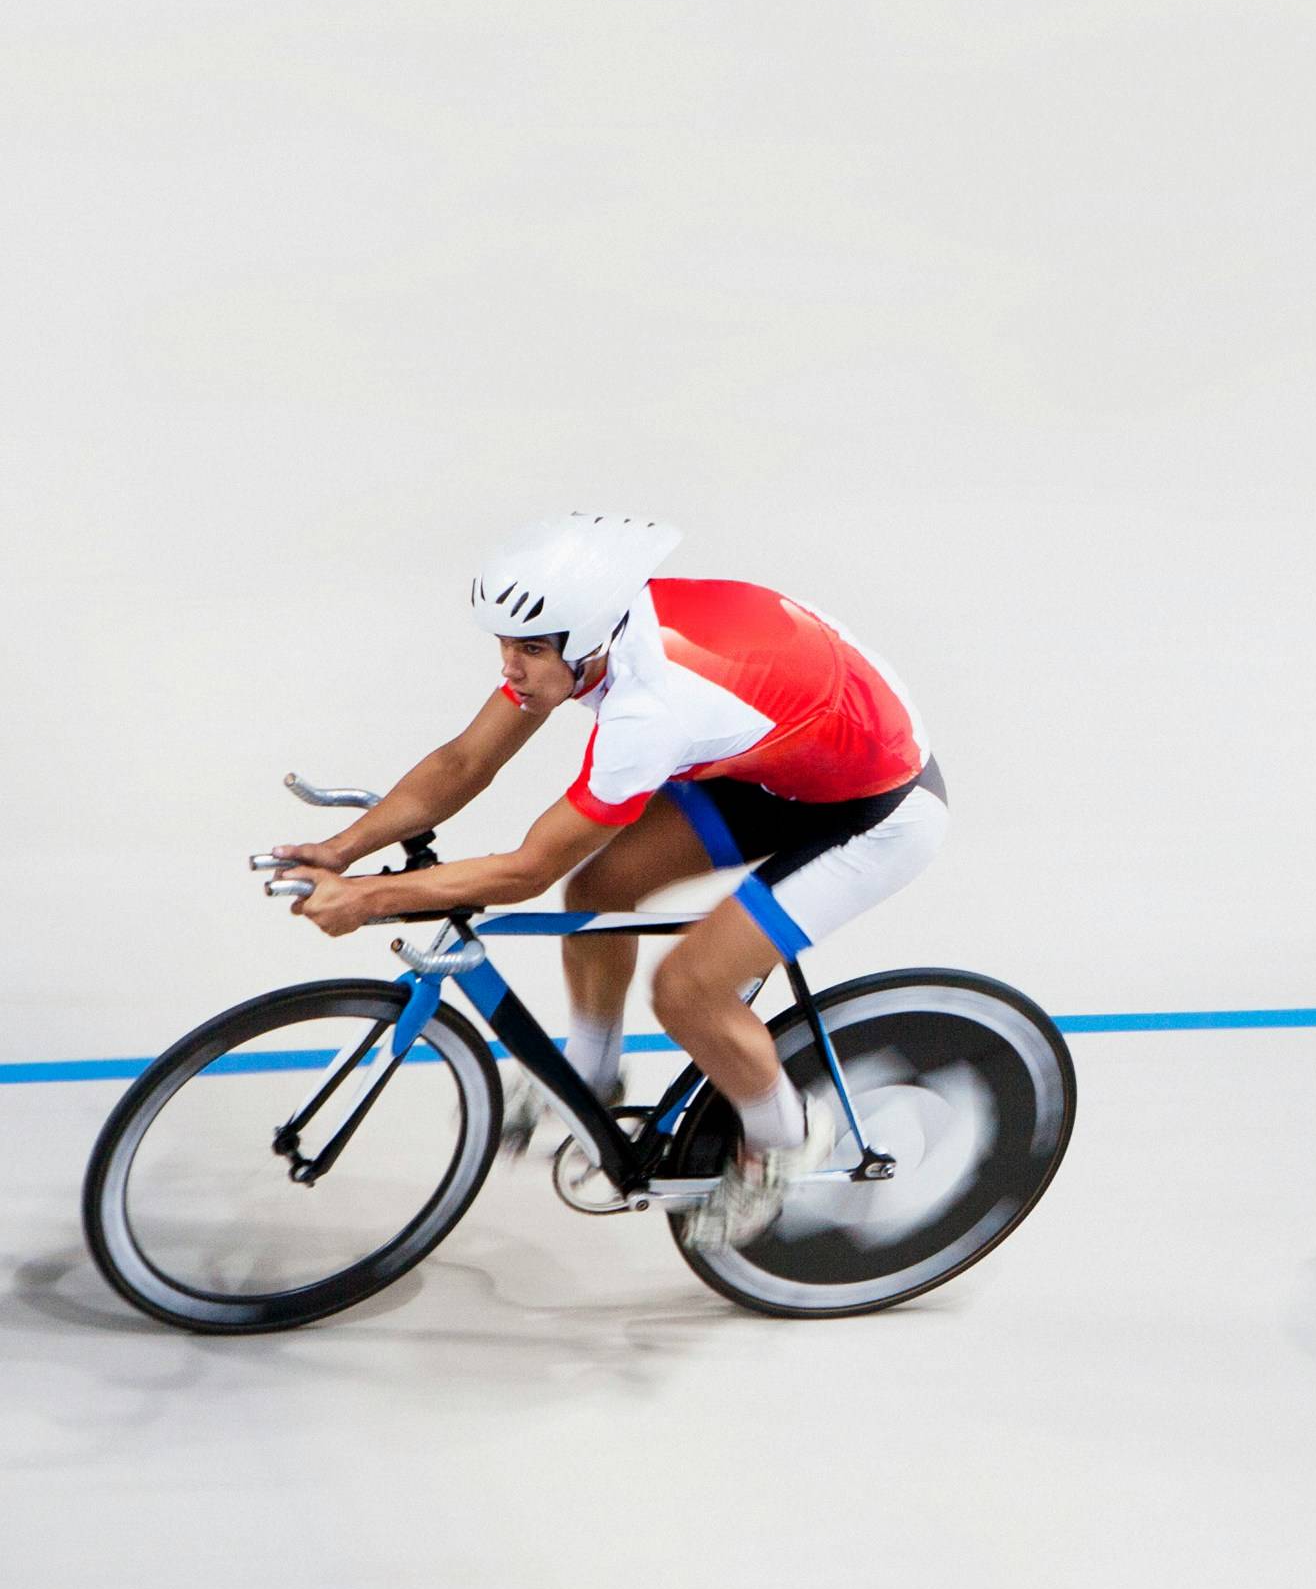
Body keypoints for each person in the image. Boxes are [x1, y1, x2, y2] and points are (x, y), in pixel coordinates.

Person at [264, 517, 950, 1247]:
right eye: (504, 644)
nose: (511, 667)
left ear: (584, 641)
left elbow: (528, 868)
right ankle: (589, 1075)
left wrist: (370, 897)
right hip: (781, 759)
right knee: (600, 887)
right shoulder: (587, 638)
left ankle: (783, 1140)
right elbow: (465, 762)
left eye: (528, 649)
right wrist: (340, 850)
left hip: (876, 813)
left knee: (688, 989)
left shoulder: (648, 712)